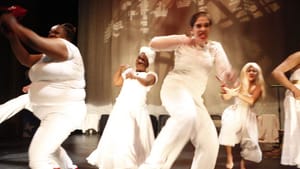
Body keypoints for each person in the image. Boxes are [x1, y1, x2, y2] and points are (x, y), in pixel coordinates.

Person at [139, 11, 236, 169]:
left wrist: (229, 76)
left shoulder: (214, 48)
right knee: (186, 115)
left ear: (210, 28)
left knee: (210, 142)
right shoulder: (184, 42)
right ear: (192, 29)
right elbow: (154, 43)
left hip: (195, 98)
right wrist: (182, 39)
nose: (202, 29)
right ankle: (152, 165)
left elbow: (223, 71)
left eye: (206, 25)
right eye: (198, 25)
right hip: (175, 88)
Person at [0, 13, 86, 169]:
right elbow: (25, 59)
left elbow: (35, 41)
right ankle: (68, 166)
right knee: (50, 146)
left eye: (56, 32)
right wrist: (13, 37)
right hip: (45, 109)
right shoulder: (44, 57)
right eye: (50, 32)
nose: (51, 34)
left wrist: (15, 25)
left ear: (65, 38)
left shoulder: (68, 48)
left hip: (64, 112)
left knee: (38, 158)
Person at [86, 46, 157, 169]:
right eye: (139, 58)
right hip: (121, 109)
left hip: (137, 111)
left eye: (143, 59)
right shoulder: (128, 72)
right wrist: (120, 70)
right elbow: (117, 82)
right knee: (119, 138)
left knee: (133, 139)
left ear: (148, 62)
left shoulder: (151, 75)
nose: (139, 60)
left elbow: (146, 82)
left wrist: (135, 76)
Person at [218, 62, 266, 169]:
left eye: (254, 71)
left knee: (250, 140)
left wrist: (236, 93)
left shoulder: (258, 86)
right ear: (245, 72)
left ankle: (243, 162)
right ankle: (229, 158)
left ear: (258, 73)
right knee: (228, 131)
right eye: (249, 70)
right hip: (235, 112)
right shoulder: (240, 84)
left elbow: (251, 101)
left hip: (248, 114)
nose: (252, 72)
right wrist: (224, 90)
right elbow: (226, 97)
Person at [272, 51, 300, 168]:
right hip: (297, 95)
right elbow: (277, 72)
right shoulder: (298, 55)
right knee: (296, 130)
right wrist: (294, 89)